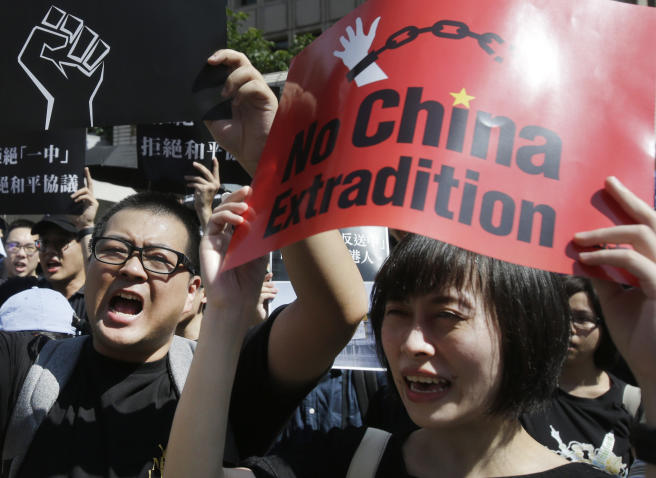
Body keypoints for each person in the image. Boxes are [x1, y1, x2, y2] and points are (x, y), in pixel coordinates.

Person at [0, 41, 368, 477]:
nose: (132, 268)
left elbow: (337, 310)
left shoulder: (224, 374)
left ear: (195, 290)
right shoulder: (25, 369)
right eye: (115, 249)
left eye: (161, 259)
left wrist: (274, 156)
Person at [163, 176, 656, 478]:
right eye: (397, 313)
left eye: (447, 316)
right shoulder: (346, 462)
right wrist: (226, 309)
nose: (413, 343)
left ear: (523, 328)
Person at [0, 166, 97, 330]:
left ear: (82, 243)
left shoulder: (98, 298)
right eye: (44, 243)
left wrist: (86, 227)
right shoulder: (26, 292)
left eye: (60, 243)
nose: (50, 250)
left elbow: (99, 285)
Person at [521, 276, 643, 475]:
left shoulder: (633, 402)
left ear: (605, 325)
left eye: (582, 318)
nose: (569, 328)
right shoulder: (523, 393)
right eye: (561, 316)